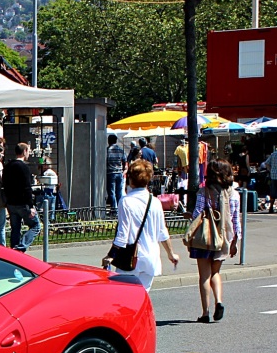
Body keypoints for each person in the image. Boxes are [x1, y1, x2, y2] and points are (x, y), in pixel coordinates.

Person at [102, 159, 178, 291]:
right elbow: (162, 232)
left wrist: (111, 255)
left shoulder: (126, 201)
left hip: (130, 259)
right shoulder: (155, 202)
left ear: (130, 180)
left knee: (126, 300)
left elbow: (122, 234)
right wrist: (171, 254)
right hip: (150, 258)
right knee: (142, 298)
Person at [185, 158, 241, 322]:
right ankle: (219, 301)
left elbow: (197, 214)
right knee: (216, 273)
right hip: (223, 238)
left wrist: (189, 218)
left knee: (204, 276)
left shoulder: (204, 192)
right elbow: (235, 219)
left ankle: (205, 312)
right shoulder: (234, 194)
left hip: (204, 238)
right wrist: (235, 241)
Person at [2, 142, 38, 251]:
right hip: (23, 203)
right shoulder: (23, 167)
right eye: (28, 151)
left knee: (15, 229)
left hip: (11, 203)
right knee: (36, 226)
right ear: (24, 151)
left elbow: (4, 184)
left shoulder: (8, 166)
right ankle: (21, 247)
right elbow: (27, 187)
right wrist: (31, 205)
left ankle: (13, 250)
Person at [106, 133, 127, 214]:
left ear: (108, 141)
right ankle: (120, 209)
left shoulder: (107, 150)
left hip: (110, 173)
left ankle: (114, 210)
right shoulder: (121, 150)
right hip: (119, 173)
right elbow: (125, 162)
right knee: (119, 192)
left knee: (111, 192)